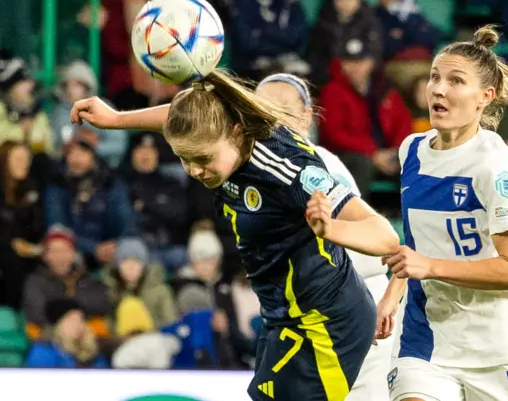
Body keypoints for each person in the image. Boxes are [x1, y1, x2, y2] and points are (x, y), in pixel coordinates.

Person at [70, 69, 399, 401]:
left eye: (203, 159)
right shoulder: (216, 129)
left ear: (236, 132)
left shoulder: (289, 168)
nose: (195, 170)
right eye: (185, 160)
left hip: (327, 322)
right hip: (285, 317)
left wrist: (330, 229)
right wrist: (115, 119)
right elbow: (180, 115)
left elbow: (385, 237)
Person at [375, 25, 508, 401]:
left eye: (456, 81)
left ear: (485, 97)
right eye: (435, 77)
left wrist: (431, 267)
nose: (439, 89)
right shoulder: (412, 151)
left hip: (498, 349)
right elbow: (420, 243)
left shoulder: (497, 168)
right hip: (427, 339)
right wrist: (395, 291)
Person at [255, 72, 393, 401]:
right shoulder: (265, 169)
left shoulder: (315, 165)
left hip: (350, 308)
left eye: (283, 109)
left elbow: (381, 244)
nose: (272, 118)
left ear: (307, 117)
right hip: (306, 315)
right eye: (262, 110)